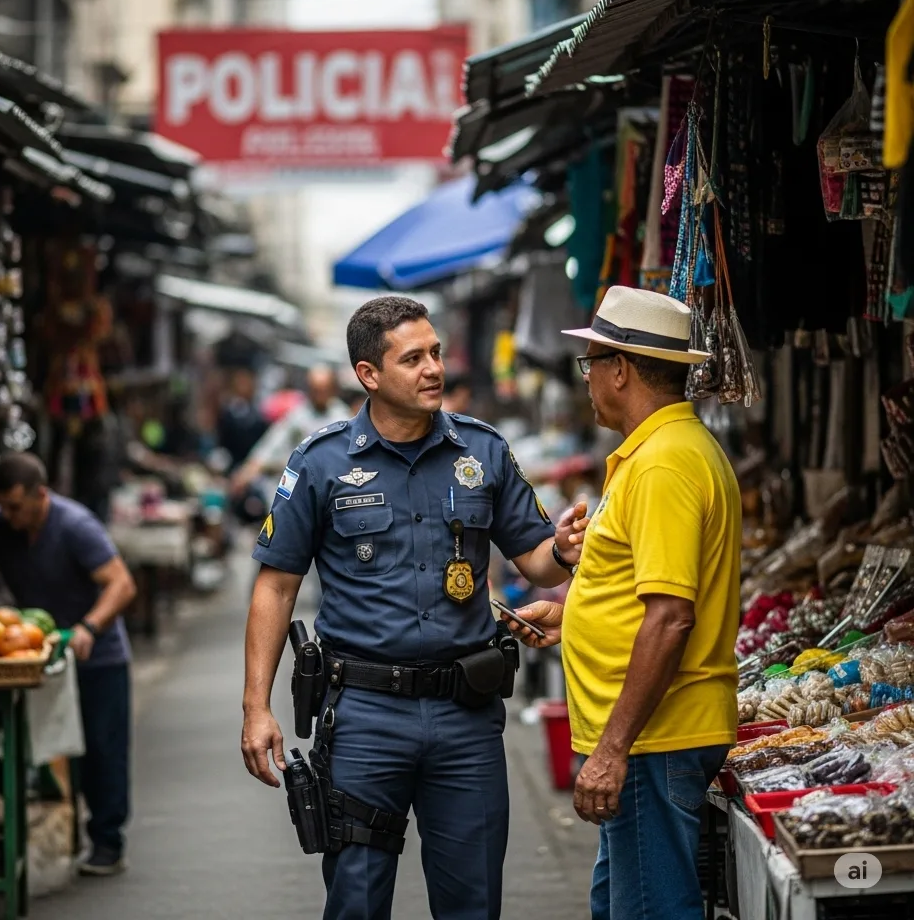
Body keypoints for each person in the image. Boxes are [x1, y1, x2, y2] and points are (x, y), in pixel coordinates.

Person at [241, 295, 582, 920]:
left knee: (472, 900)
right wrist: (256, 706)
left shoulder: (483, 453)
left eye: (436, 354)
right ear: (369, 374)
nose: (433, 370)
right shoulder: (321, 463)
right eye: (413, 358)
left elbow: (534, 558)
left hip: (466, 718)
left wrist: (560, 549)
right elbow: (276, 584)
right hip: (365, 717)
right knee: (356, 901)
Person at [508, 286, 741, 920]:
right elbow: (649, 596)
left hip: (649, 739)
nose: (585, 381)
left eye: (591, 365)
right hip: (646, 736)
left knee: (650, 909)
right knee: (622, 905)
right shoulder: (659, 454)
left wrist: (611, 750)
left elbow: (671, 618)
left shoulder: (664, 464)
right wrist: (571, 619)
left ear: (621, 369)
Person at [0, 453, 138, 877]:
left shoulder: (75, 526)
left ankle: (108, 841)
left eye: (16, 506)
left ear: (41, 495)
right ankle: (30, 796)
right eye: (2, 506)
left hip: (97, 655)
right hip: (41, 654)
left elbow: (121, 584)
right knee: (23, 743)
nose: (9, 515)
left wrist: (88, 627)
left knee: (103, 751)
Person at [230, 365, 350, 498]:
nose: (318, 395)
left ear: (332, 390)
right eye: (314, 390)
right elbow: (274, 441)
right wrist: (250, 469)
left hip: (329, 486)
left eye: (322, 390)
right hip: (296, 483)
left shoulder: (342, 417)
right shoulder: (298, 414)